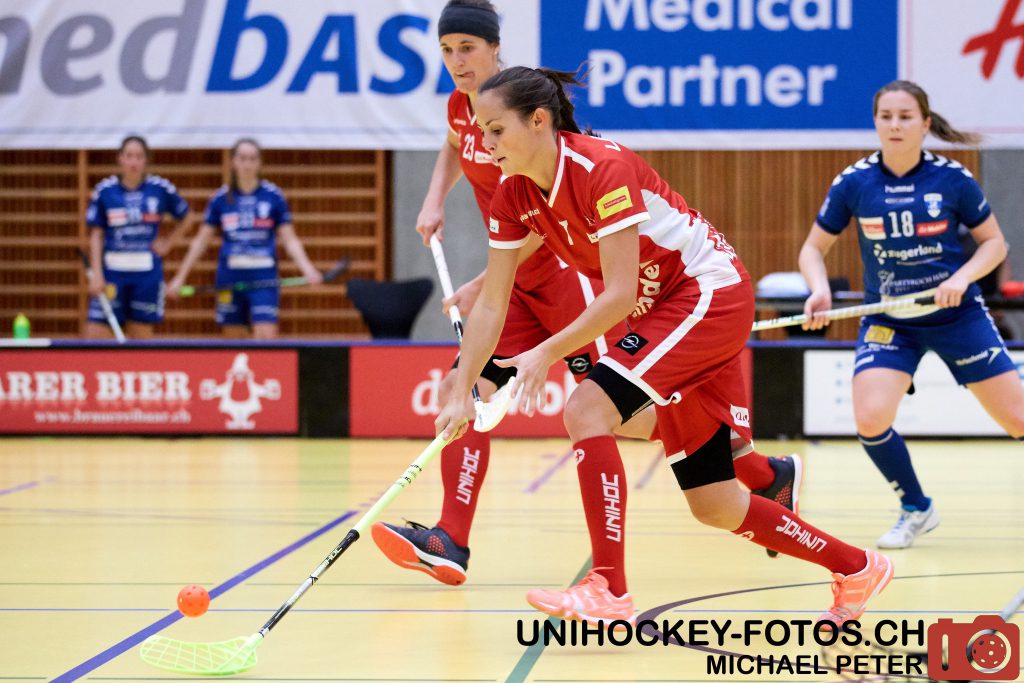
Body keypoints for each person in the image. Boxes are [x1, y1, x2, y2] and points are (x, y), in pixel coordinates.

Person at [433, 65, 892, 628]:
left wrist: (544, 352)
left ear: (538, 120)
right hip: (664, 312)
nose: (485, 144)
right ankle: (857, 567)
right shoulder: (513, 196)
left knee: (586, 408)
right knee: (715, 504)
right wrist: (462, 389)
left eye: (496, 129)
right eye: (481, 131)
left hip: (707, 292)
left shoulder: (601, 168)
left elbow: (620, 294)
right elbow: (490, 304)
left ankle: (608, 587)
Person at [371, 0, 799, 586]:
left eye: (467, 48)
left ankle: (757, 470)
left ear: (495, 49)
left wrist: (488, 278)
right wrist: (433, 200)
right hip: (514, 285)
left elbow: (556, 217)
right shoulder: (461, 110)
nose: (456, 61)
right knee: (462, 386)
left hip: (569, 280)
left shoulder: (530, 118)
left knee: (622, 411)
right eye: (446, 50)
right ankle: (452, 538)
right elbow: (456, 145)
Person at [799, 79, 1024, 549]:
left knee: (1017, 421)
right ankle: (917, 507)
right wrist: (819, 290)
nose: (895, 126)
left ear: (925, 124)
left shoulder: (953, 179)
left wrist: (962, 278)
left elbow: (995, 244)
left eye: (905, 117)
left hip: (957, 316)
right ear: (876, 122)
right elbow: (812, 250)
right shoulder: (854, 182)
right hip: (890, 321)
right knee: (870, 417)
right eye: (886, 117)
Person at [168, 138, 322, 340]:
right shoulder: (221, 198)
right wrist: (180, 277)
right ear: (234, 162)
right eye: (242, 158)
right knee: (233, 340)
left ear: (259, 163)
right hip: (230, 276)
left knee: (266, 336)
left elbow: (290, 240)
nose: (247, 164)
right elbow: (200, 242)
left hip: (264, 276)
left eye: (252, 159)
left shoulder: (273, 196)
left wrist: (308, 269)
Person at [85, 135, 194, 339]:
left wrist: (168, 243)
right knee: (96, 334)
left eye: (139, 156)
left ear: (146, 160)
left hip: (146, 274)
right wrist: (97, 273)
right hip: (112, 273)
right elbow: (96, 235)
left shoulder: (160, 188)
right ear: (120, 158)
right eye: (129, 156)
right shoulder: (105, 191)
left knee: (141, 337)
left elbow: (187, 218)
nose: (134, 162)